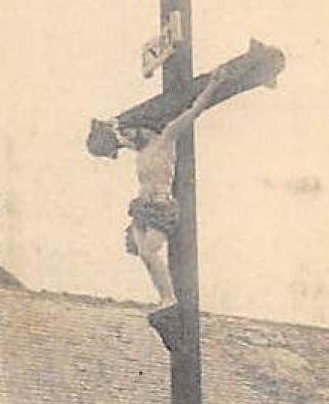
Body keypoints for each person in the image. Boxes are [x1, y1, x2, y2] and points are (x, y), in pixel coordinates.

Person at [88, 70, 226, 307]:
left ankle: (169, 298)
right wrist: (111, 130)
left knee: (150, 252)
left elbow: (193, 111)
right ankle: (164, 297)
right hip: (142, 207)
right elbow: (114, 138)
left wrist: (213, 85)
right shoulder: (140, 151)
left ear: (146, 129)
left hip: (161, 205)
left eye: (134, 132)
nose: (129, 136)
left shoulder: (166, 138)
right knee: (144, 254)